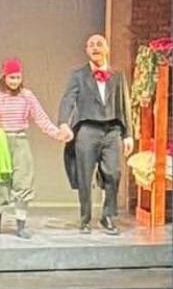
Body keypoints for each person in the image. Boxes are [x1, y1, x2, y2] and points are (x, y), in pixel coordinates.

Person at [0, 57, 71, 239]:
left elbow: (40, 118)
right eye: (11, 77)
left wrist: (57, 134)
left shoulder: (27, 96)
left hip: (20, 141)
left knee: (23, 181)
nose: (15, 81)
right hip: (0, 142)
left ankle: (21, 225)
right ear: (4, 77)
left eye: (18, 77)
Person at [58, 32, 135, 234]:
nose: (95, 47)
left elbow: (124, 105)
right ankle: (85, 218)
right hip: (87, 128)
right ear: (86, 50)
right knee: (84, 174)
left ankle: (107, 216)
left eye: (99, 44)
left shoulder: (117, 75)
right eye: (91, 45)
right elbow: (68, 100)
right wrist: (64, 123)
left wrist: (128, 134)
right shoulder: (78, 75)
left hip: (112, 130)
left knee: (114, 173)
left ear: (107, 48)